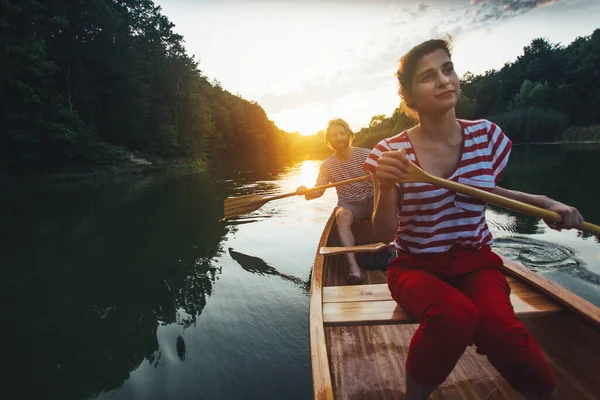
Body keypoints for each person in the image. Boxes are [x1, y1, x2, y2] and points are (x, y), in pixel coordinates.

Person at [362, 38, 584, 400]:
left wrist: (547, 202)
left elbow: (485, 191)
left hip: (478, 263)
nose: (444, 81)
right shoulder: (390, 151)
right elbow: (384, 232)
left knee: (500, 327)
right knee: (454, 316)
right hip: (415, 266)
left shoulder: (486, 136)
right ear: (409, 98)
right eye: (428, 76)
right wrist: (384, 185)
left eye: (448, 69)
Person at [297, 118, 375, 285]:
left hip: (373, 200)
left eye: (341, 133)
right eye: (334, 135)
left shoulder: (366, 155)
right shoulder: (327, 165)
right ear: (329, 141)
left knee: (395, 202)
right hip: (349, 205)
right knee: (341, 217)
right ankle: (354, 269)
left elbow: (386, 179)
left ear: (349, 135)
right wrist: (305, 191)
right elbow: (318, 191)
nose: (339, 138)